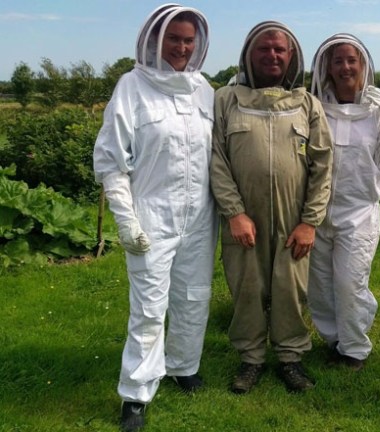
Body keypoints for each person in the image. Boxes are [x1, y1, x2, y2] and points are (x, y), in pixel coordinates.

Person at [93, 5, 217, 431]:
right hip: (152, 215)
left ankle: (184, 365)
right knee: (148, 307)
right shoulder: (131, 87)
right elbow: (111, 161)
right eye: (174, 39)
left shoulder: (205, 90)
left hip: (200, 217)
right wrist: (126, 220)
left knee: (194, 296)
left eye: (188, 41)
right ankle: (137, 392)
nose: (182, 48)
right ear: (155, 40)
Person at [210, 21, 333, 394]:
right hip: (243, 219)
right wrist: (234, 212)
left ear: (291, 55)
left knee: (289, 288)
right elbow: (216, 159)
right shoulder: (225, 100)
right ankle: (250, 360)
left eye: (280, 49)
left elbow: (323, 165)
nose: (272, 55)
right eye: (263, 49)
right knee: (246, 287)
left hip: (293, 219)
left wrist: (310, 222)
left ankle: (291, 358)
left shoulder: (308, 104)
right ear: (249, 54)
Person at [308, 34, 380, 371]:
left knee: (350, 283)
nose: (345, 67)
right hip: (317, 212)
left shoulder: (378, 111)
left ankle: (354, 349)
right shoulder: (315, 108)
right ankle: (334, 341)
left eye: (351, 60)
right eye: (337, 61)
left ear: (363, 65)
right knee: (320, 285)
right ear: (327, 67)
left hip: (359, 213)